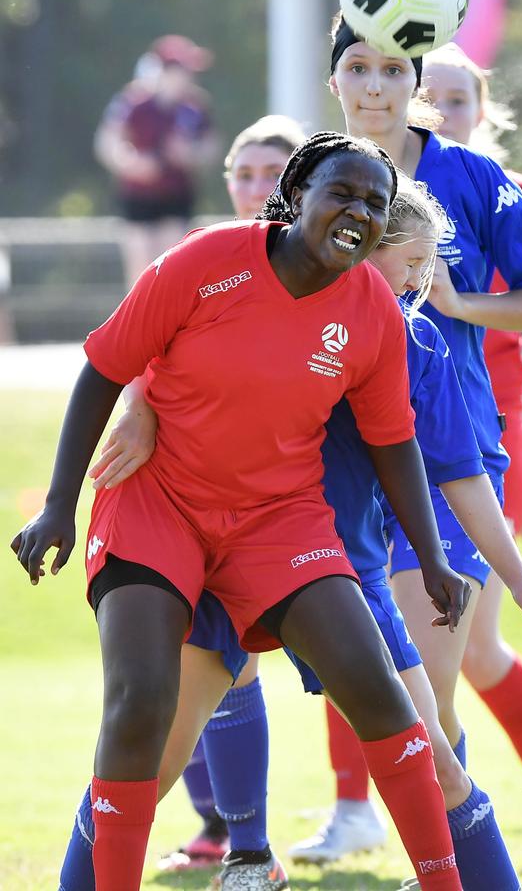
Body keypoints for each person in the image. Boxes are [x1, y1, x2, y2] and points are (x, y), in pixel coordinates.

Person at [13, 132, 475, 891]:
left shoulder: (373, 313)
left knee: (380, 693)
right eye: (343, 192)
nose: (358, 210)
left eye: (375, 202)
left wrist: (431, 560)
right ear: (297, 199)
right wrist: (59, 506)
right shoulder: (207, 260)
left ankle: (444, 883)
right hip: (159, 501)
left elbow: (396, 445)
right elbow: (103, 366)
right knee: (140, 705)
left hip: (277, 518)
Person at [90, 173, 522, 891]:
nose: (417, 286)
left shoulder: (417, 345)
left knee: (434, 756)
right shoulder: (266, 300)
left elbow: (461, 477)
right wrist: (139, 401)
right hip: (222, 558)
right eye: (406, 265)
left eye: (425, 269)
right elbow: (166, 352)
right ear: (356, 247)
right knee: (148, 757)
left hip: (341, 573)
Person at [310, 16, 522, 874]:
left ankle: (458, 852)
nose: (377, 86)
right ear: (336, 80)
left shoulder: (475, 178)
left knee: (427, 689)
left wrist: (461, 308)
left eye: (394, 68)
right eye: (359, 67)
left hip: (448, 460)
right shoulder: (317, 180)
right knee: (381, 692)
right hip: (336, 471)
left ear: (415, 80)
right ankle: (274, 830)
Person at [418, 43, 522, 871]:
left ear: (483, 112)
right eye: (433, 97)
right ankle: (369, 812)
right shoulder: (387, 183)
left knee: (467, 646)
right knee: (399, 640)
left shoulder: (504, 191)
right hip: (407, 431)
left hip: (493, 428)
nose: (444, 112)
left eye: (459, 100)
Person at [150, 113, 308, 876]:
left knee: (233, 662)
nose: (254, 189)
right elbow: (138, 354)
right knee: (191, 659)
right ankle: (226, 833)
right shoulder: (199, 259)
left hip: (279, 506)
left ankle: (255, 842)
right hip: (182, 498)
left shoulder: (328, 271)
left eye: (271, 175)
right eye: (241, 174)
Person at [94, 34, 220, 290]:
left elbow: (212, 146)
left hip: (176, 196)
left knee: (172, 264)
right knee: (140, 268)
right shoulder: (134, 102)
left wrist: (190, 154)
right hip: (138, 196)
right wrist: (131, 162)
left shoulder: (195, 105)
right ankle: (138, 326)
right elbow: (107, 142)